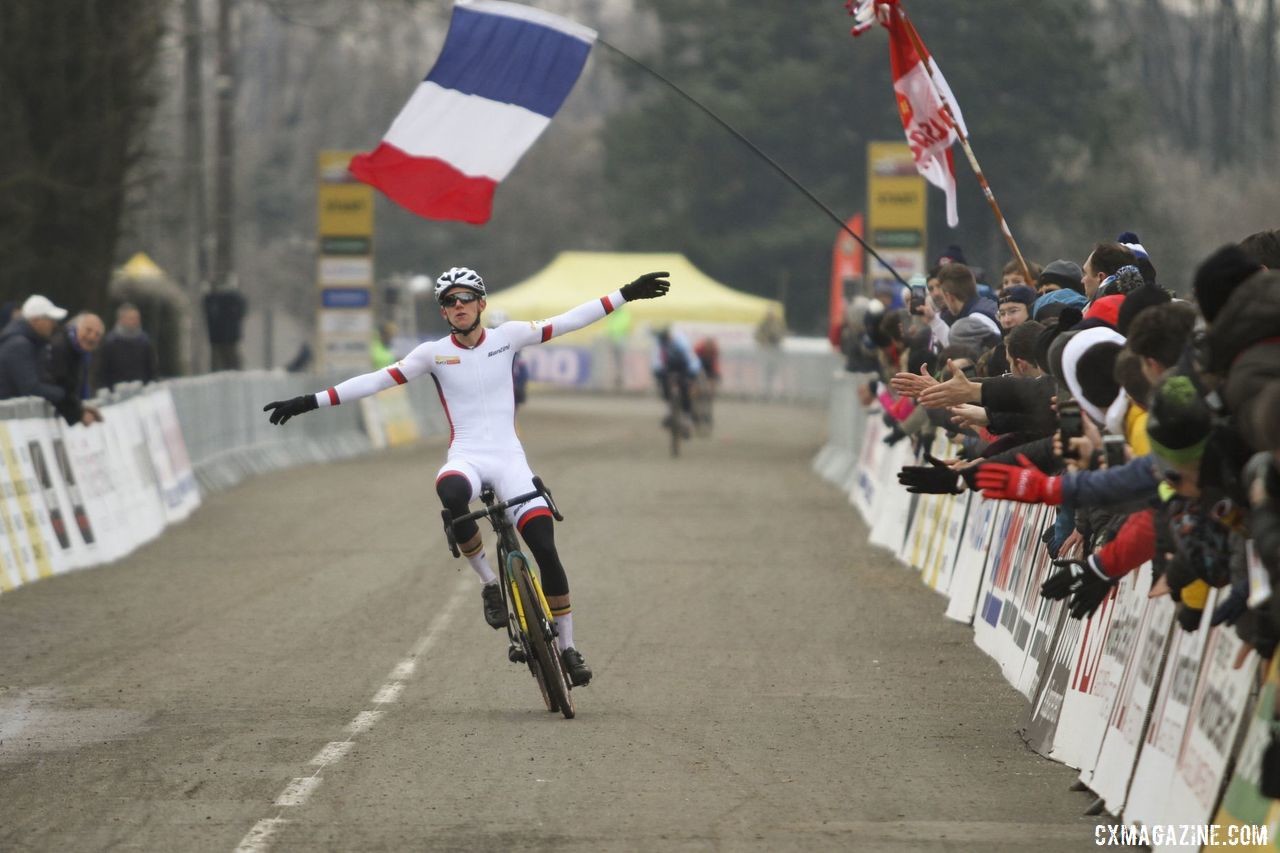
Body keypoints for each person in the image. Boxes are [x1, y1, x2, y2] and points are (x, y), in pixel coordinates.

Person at [263, 266, 673, 687]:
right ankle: (490, 584)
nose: (457, 306)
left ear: (481, 303)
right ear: (443, 313)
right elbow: (375, 381)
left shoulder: (509, 336)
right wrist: (309, 401)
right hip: (468, 457)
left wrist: (625, 294)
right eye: (448, 302)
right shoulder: (432, 354)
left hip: (511, 461)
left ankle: (568, 648)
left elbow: (568, 320)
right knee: (451, 490)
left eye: (465, 298)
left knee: (546, 551)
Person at [0, 295, 69, 407]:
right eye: (50, 319)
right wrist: (64, 394)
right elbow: (31, 388)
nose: (54, 324)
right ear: (35, 320)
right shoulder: (19, 345)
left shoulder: (33, 343)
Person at [48, 312, 105, 426]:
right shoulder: (61, 347)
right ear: (77, 327)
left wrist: (83, 408)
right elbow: (61, 385)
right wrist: (78, 414)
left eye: (97, 334)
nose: (91, 337)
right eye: (88, 330)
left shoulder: (84, 352)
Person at [95, 302, 158, 391]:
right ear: (121, 319)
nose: (136, 321)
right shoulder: (110, 343)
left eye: (137, 318)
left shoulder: (145, 342)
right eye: (131, 318)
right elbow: (103, 372)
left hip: (141, 394)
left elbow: (151, 370)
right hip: (115, 394)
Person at [652, 326, 702, 432]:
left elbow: (691, 359)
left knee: (685, 388)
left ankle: (687, 418)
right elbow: (657, 362)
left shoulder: (681, 341)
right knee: (664, 385)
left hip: (684, 367)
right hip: (669, 368)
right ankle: (670, 410)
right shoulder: (660, 344)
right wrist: (658, 373)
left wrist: (692, 374)